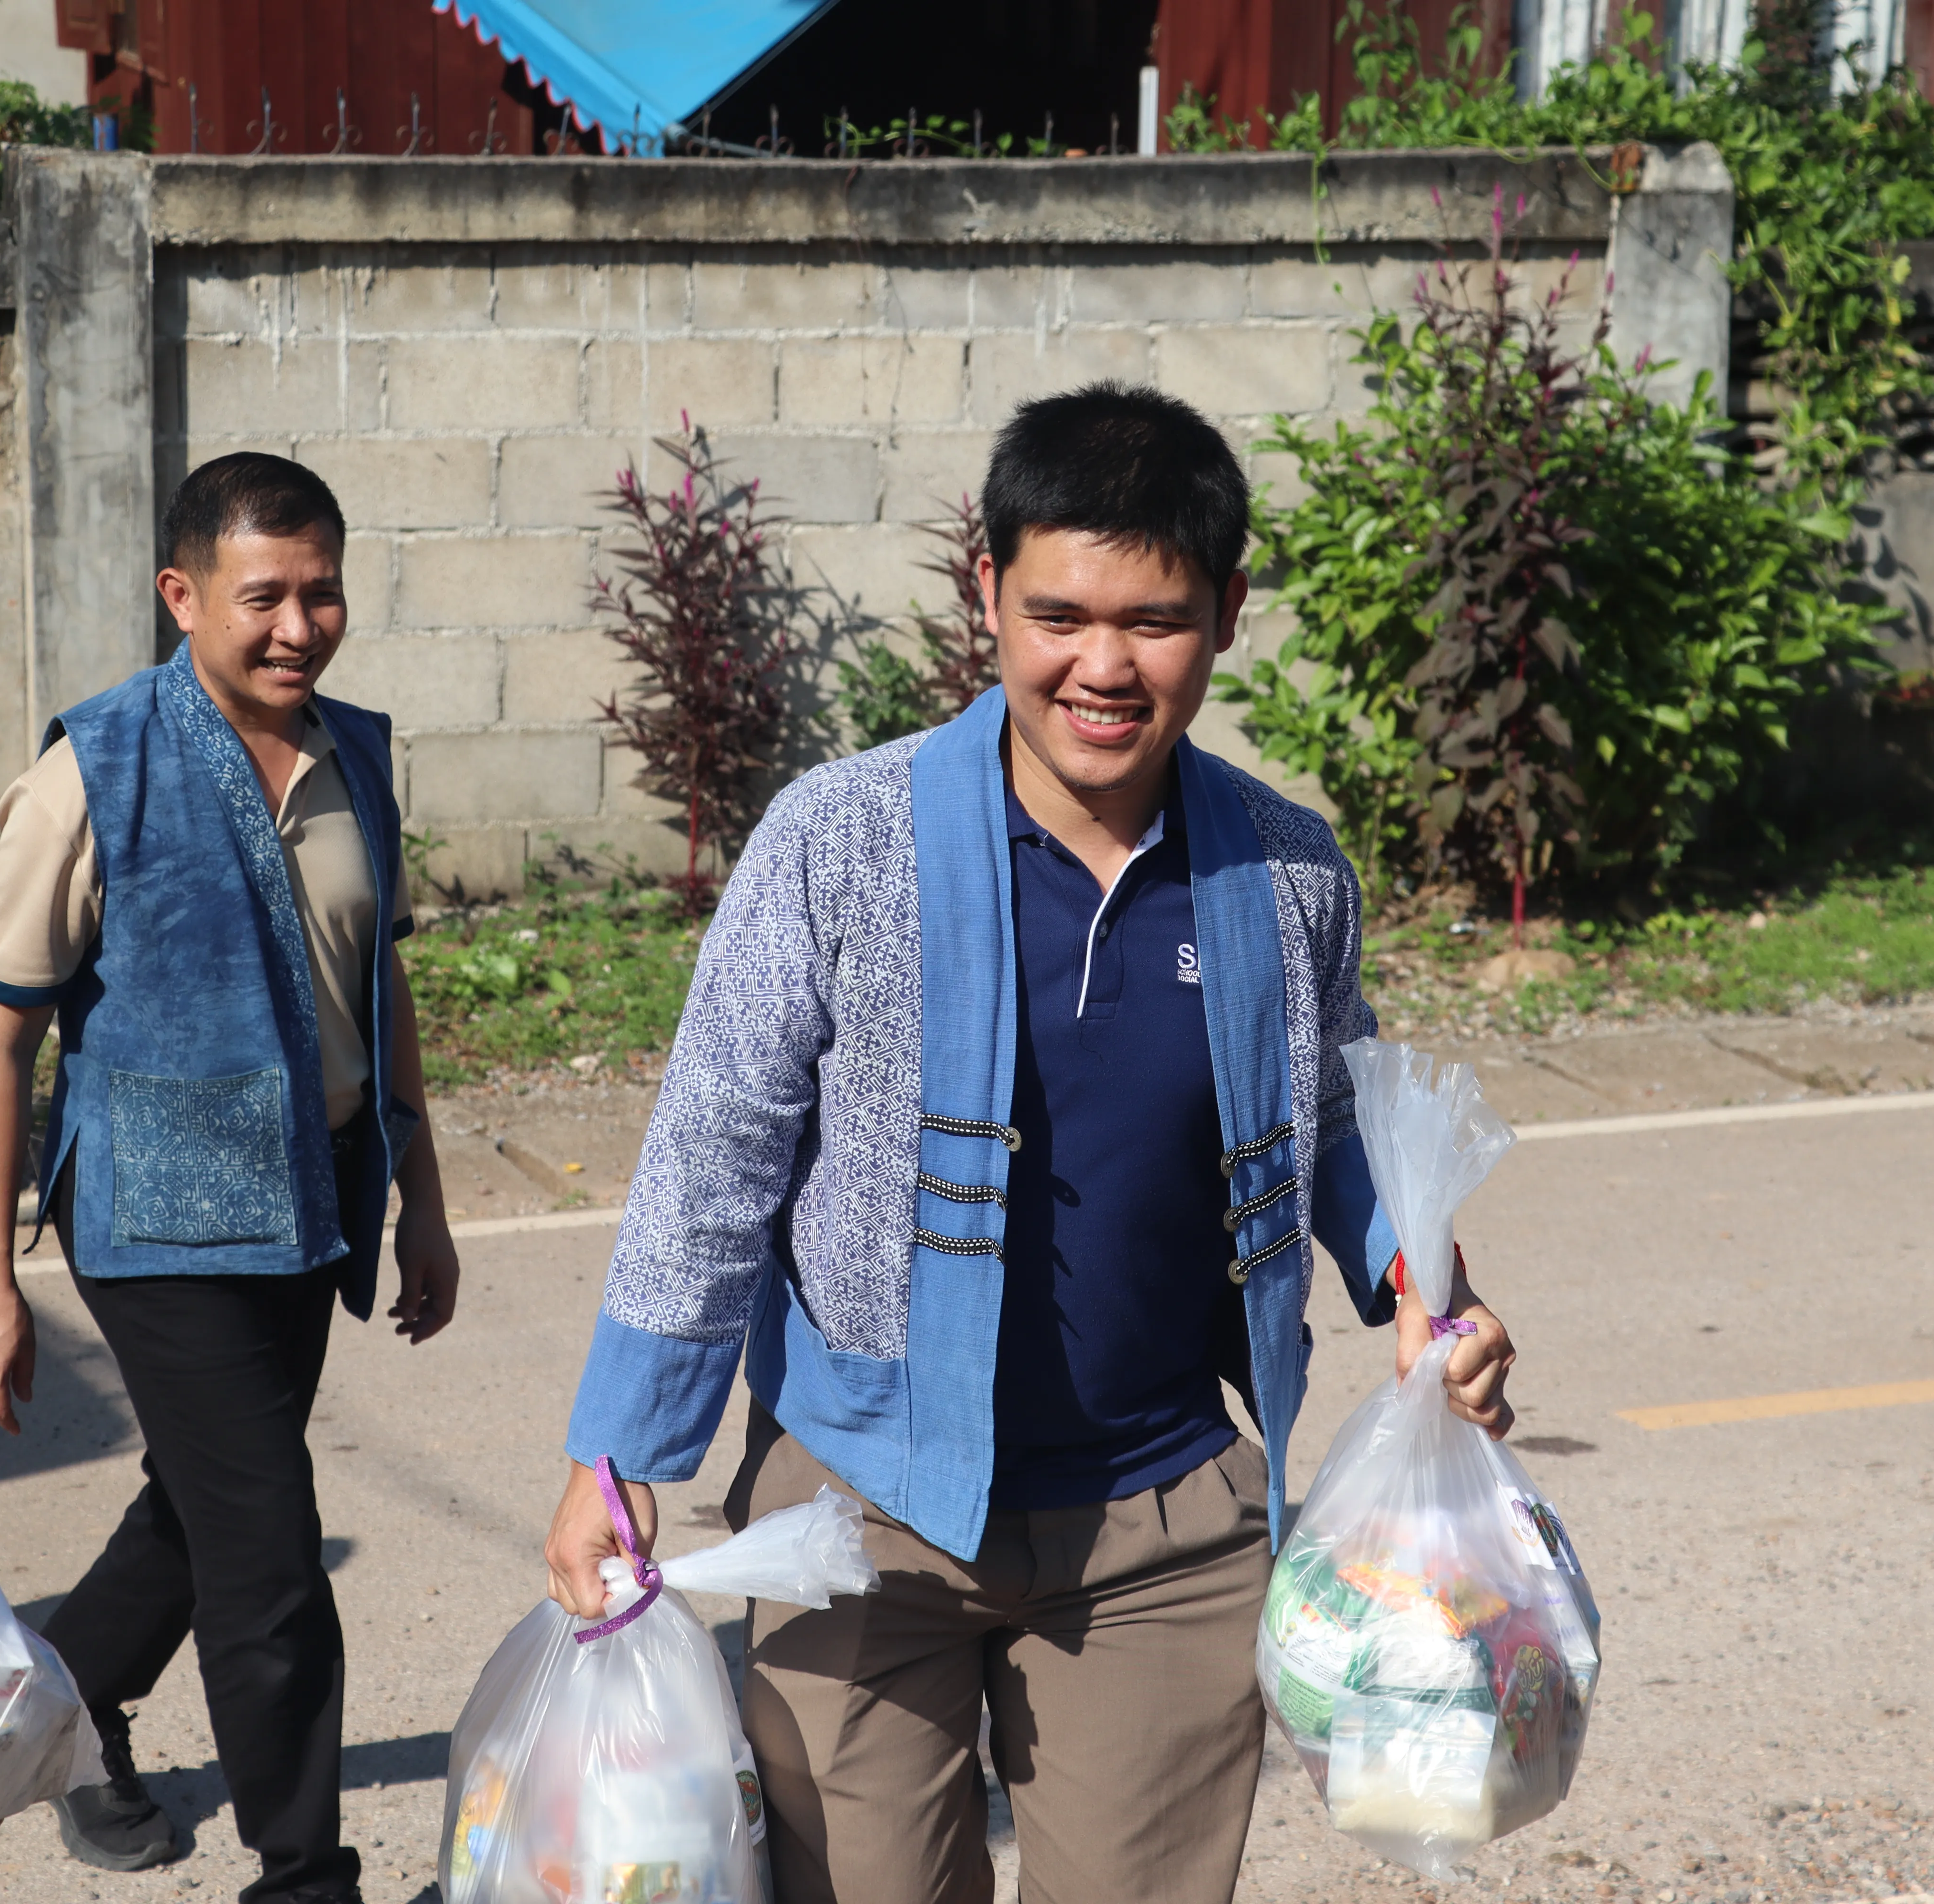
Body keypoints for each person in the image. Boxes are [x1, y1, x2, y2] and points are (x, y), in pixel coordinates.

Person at [543, 383, 1520, 1904]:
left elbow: (1335, 1122)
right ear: (985, 591)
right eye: (1059, 611)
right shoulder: (836, 842)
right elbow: (713, 1150)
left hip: (1163, 1525)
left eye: (1157, 619)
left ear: (1227, 613)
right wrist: (621, 1449)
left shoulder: (1282, 872)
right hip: (857, 1511)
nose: (1103, 666)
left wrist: (1424, 1282)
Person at [0, 453, 461, 1904]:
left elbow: (384, 984)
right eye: (263, 596)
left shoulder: (357, 749)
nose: (299, 625)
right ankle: (304, 1878)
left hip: (313, 1197)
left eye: (322, 590)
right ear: (181, 596)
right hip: (160, 1219)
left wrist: (422, 1198)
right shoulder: (93, 767)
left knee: (206, 1501)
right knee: (270, 1557)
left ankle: (60, 1705)